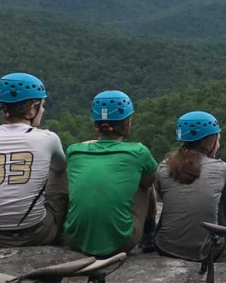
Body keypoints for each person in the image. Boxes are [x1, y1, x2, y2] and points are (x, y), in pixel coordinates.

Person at [0, 73, 68, 247]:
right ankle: (62, 232)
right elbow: (60, 167)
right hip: (37, 233)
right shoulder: (48, 138)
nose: (43, 111)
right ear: (31, 108)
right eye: (41, 105)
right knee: (59, 171)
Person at [64, 90, 157, 257]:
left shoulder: (74, 151)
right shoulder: (138, 152)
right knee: (145, 185)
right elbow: (149, 181)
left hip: (75, 240)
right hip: (121, 243)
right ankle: (149, 236)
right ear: (128, 124)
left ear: (95, 124)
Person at [154, 111, 226, 261]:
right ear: (209, 142)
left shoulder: (164, 166)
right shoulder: (222, 168)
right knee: (220, 201)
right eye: (217, 139)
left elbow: (163, 197)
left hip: (165, 247)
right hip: (208, 251)